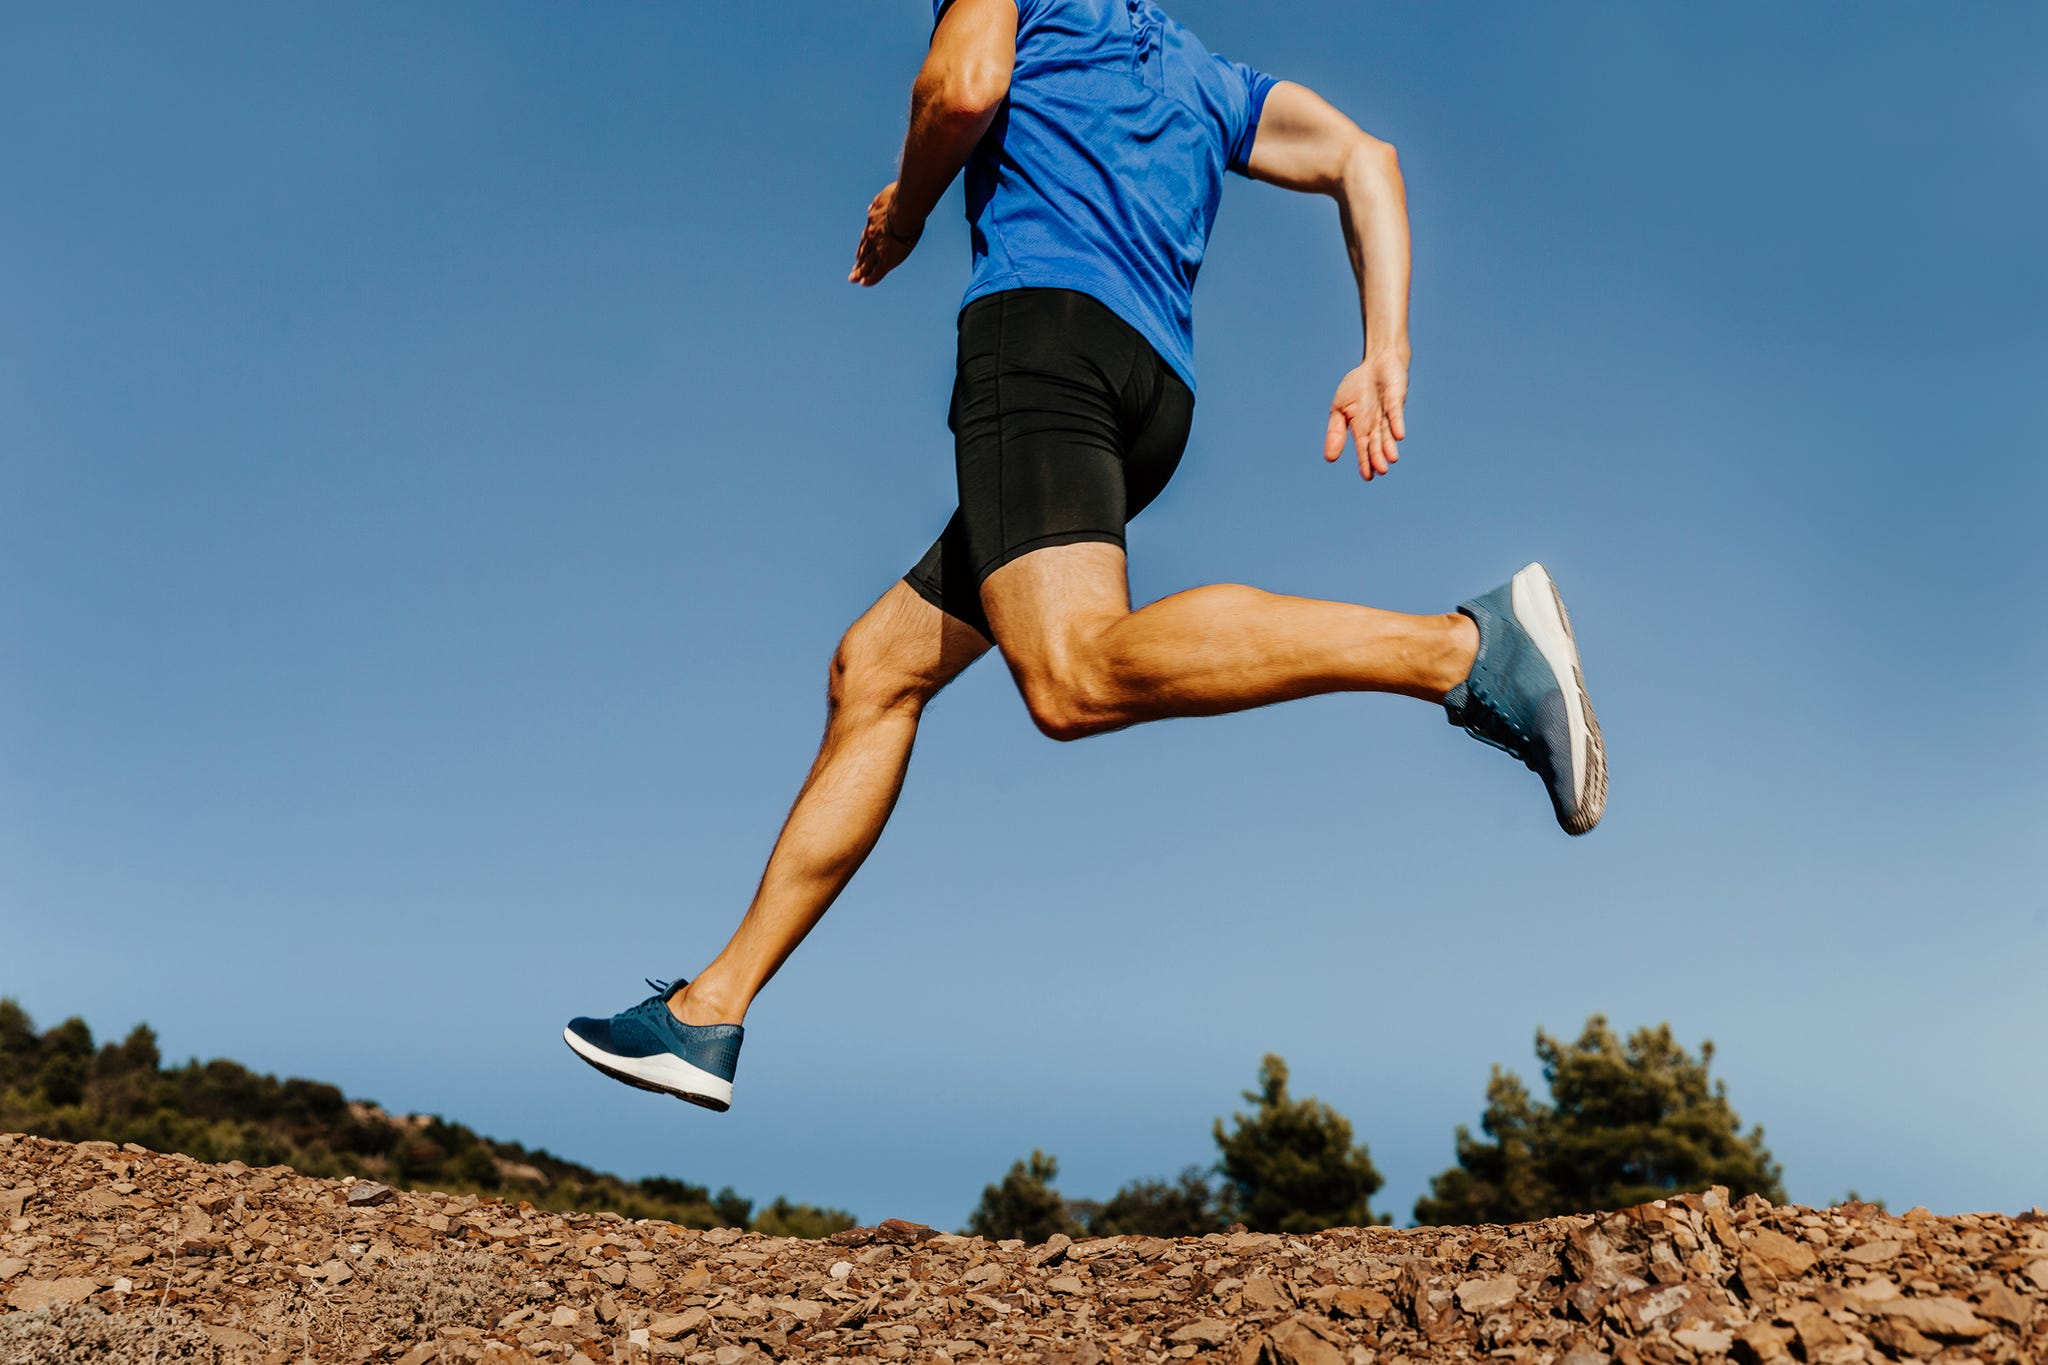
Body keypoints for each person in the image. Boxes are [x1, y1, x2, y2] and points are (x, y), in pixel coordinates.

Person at [563, 0, 1606, 1111]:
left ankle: (1460, 649)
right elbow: (1366, 159)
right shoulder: (1203, 76)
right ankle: (707, 1012)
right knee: (874, 669)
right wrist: (1382, 348)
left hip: (1040, 347)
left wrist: (910, 209)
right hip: (1148, 399)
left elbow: (960, 88)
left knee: (1069, 677)